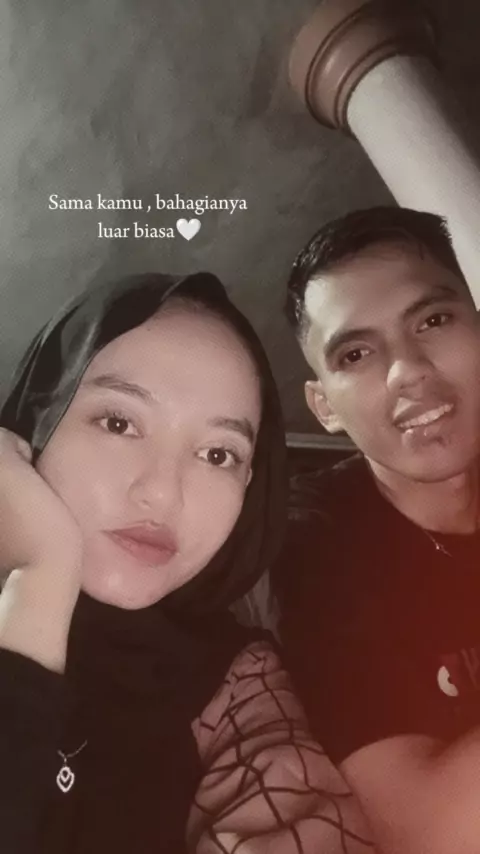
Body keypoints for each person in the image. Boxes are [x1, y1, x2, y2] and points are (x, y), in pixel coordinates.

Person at [0, 270, 373, 854]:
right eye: (119, 423)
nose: (163, 493)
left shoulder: (236, 684)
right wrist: (39, 582)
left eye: (218, 454)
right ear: (36, 425)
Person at [273, 206, 480, 854]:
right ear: (324, 406)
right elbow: (430, 830)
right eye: (356, 353)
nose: (407, 370)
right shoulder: (316, 546)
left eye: (433, 320)